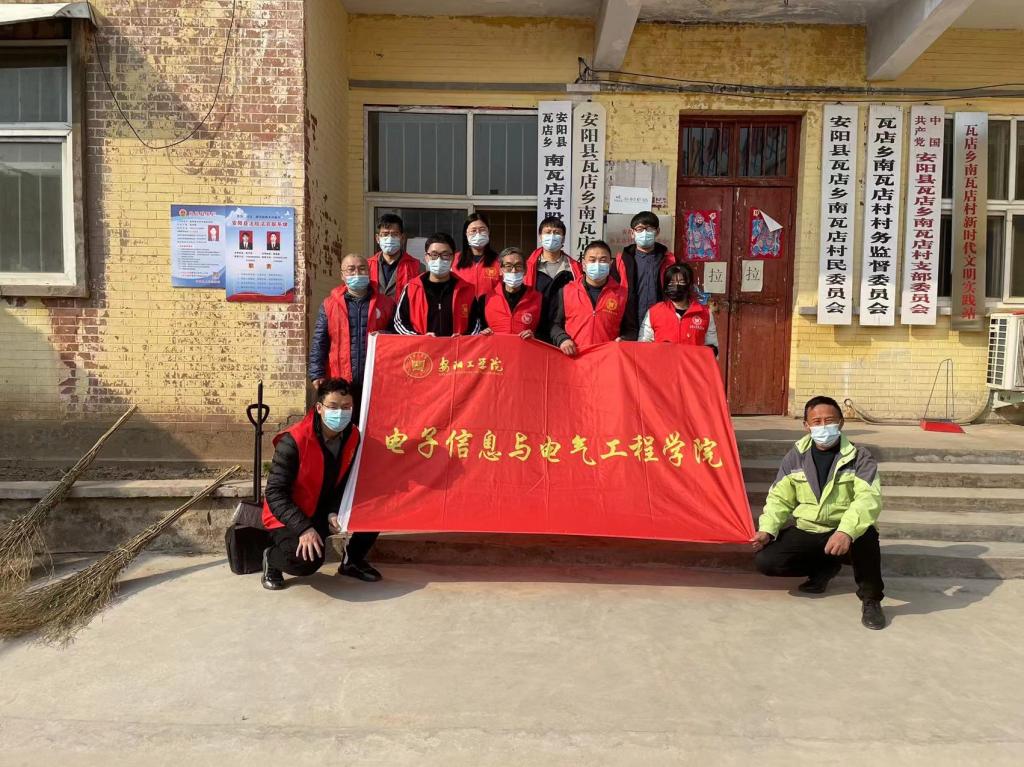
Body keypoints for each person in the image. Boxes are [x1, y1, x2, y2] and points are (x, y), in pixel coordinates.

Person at [750, 396, 886, 630]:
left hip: (844, 528)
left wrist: (846, 532)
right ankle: (823, 568)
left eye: (830, 421)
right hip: (809, 527)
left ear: (841, 422)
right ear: (806, 425)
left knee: (867, 537)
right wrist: (767, 530)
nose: (824, 427)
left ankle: (871, 599)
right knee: (766, 561)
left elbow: (868, 499)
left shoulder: (860, 457)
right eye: (817, 421)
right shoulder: (795, 456)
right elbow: (779, 498)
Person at [261, 378, 383, 589]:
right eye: (333, 407)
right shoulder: (294, 441)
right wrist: (304, 528)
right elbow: (275, 493)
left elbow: (345, 479)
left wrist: (334, 510)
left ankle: (352, 561)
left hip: (324, 509)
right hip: (292, 515)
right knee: (306, 562)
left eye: (346, 407)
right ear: (319, 408)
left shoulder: (353, 435)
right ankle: (271, 558)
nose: (340, 413)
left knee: (377, 507)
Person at [309, 253, 396, 414]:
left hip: (376, 380)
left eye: (362, 269)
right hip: (340, 379)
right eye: (351, 269)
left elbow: (396, 337)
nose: (357, 273)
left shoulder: (387, 304)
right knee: (342, 422)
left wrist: (383, 335)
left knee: (373, 422)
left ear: (369, 272)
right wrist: (316, 373)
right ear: (342, 275)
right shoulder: (329, 305)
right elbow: (319, 341)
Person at [548, 240, 629, 356]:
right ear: (584, 264)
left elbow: (631, 328)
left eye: (603, 260)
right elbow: (553, 324)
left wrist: (624, 339)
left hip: (607, 358)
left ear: (610, 264)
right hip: (575, 358)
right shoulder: (566, 291)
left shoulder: (622, 293)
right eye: (592, 260)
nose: (597, 264)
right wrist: (562, 339)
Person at [394, 233, 482, 336]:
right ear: (426, 257)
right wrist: (420, 338)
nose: (439, 260)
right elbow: (399, 322)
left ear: (453, 257)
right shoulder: (412, 288)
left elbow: (477, 323)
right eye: (434, 255)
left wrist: (462, 339)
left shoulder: (466, 289)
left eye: (445, 255)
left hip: (457, 346)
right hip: (423, 346)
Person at [612, 211, 676, 340]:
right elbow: (611, 294)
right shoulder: (621, 261)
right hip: (628, 326)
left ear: (657, 232)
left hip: (660, 324)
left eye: (650, 229)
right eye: (640, 229)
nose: (645, 233)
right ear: (632, 233)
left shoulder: (670, 261)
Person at [639, 263, 718, 356]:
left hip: (691, 365)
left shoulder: (705, 313)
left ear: (689, 285)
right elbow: (643, 346)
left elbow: (712, 350)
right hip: (662, 364)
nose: (676, 286)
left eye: (681, 282)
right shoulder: (654, 312)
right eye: (671, 283)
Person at [523, 216, 582, 343]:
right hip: (535, 331)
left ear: (563, 238)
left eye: (557, 232)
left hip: (566, 334)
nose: (552, 236)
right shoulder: (528, 267)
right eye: (548, 232)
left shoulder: (575, 269)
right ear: (540, 236)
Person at [480, 247, 542, 339]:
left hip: (526, 348)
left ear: (525, 270)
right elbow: (476, 331)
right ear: (500, 270)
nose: (513, 271)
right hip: (496, 348)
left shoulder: (538, 298)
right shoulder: (486, 299)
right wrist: (483, 333)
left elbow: (547, 332)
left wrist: (535, 337)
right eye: (508, 266)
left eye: (518, 266)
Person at [368, 213, 423, 298]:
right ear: (377, 238)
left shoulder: (417, 267)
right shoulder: (367, 266)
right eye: (385, 234)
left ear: (403, 238)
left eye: (395, 234)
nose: (389, 238)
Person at [452, 212, 501, 297]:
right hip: (463, 305)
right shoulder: (454, 260)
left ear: (488, 232)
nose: (478, 234)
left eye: (482, 229)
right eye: (473, 230)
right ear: (466, 233)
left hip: (490, 305)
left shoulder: (499, 261)